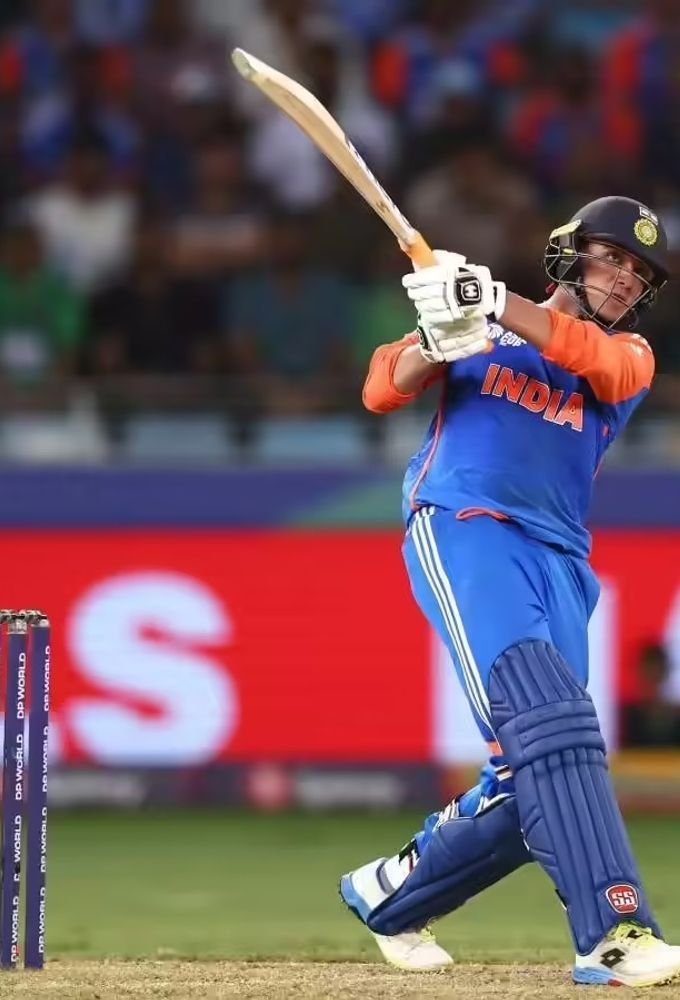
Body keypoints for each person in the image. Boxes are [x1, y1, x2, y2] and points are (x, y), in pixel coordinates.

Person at [340, 196, 680, 987]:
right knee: (552, 727)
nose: (625, 280)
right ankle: (615, 935)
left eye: (639, 274)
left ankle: (390, 894)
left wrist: (491, 299)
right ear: (569, 252)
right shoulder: (477, 330)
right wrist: (437, 339)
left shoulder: (628, 354)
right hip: (465, 523)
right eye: (612, 258)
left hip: (560, 561)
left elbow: (597, 362)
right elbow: (382, 388)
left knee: (540, 770)